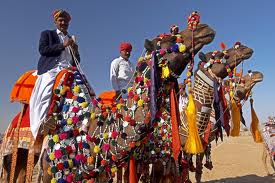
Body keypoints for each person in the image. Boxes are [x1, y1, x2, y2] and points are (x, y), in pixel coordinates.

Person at [30, 9, 80, 138]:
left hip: (69, 69)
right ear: (55, 21)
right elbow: (43, 50)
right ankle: (40, 125)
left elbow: (76, 61)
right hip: (52, 68)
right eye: (60, 20)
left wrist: (75, 49)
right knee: (46, 90)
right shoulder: (48, 34)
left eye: (65, 21)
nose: (63, 23)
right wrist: (63, 45)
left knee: (85, 89)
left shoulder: (70, 39)